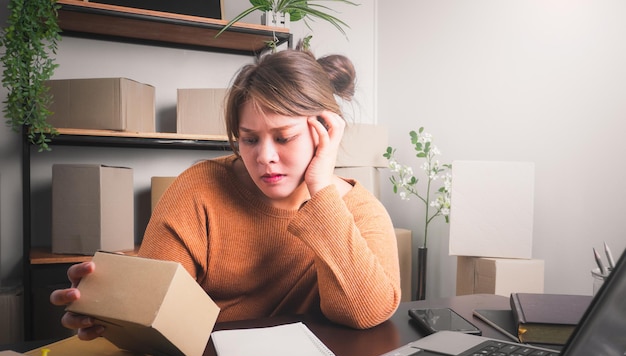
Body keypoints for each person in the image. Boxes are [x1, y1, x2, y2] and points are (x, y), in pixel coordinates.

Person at [50, 49, 401, 340]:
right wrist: (110, 312)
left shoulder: (361, 212)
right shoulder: (197, 190)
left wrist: (321, 188)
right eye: (249, 139)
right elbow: (157, 315)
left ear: (324, 130)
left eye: (283, 137)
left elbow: (364, 313)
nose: (264, 157)